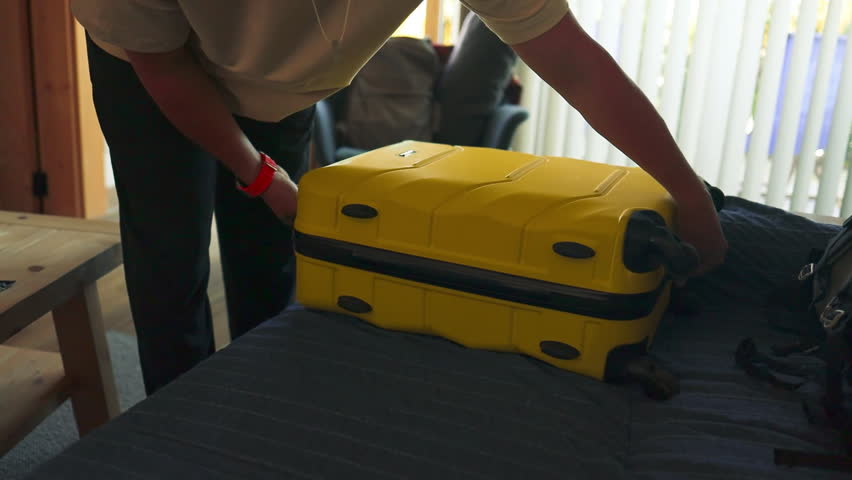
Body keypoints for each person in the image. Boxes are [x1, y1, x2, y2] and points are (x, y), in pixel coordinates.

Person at [71, 0, 728, 396]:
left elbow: (574, 61)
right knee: (170, 265)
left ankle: (263, 397)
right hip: (152, 73)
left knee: (268, 259)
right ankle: (175, 434)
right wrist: (263, 176)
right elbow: (163, 67)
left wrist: (689, 197)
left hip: (288, 84)